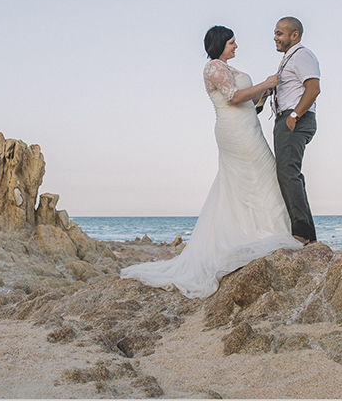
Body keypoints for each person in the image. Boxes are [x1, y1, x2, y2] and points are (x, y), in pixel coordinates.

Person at [120, 25, 303, 298]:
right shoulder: (213, 68)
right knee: (254, 174)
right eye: (231, 43)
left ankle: (267, 229)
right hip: (233, 130)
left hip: (249, 126)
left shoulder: (233, 70)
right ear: (219, 44)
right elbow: (233, 97)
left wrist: (264, 93)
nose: (235, 46)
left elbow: (250, 100)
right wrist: (265, 83)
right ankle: (261, 233)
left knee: (262, 174)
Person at [271, 16, 320, 245]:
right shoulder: (288, 59)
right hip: (287, 120)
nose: (275, 37)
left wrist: (293, 116)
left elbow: (313, 88)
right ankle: (307, 234)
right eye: (275, 33)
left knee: (288, 173)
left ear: (295, 35)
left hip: (296, 120)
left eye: (280, 33)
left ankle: (301, 234)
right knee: (288, 174)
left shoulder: (302, 55)